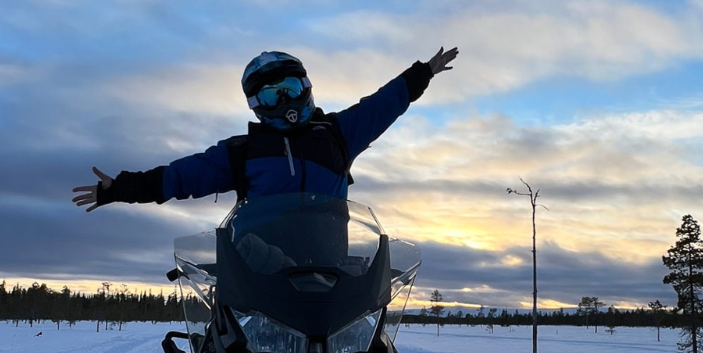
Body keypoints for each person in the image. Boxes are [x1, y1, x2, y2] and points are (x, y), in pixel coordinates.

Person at [72, 47, 458, 210]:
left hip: (333, 282)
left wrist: (422, 73)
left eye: (289, 88)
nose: (284, 100)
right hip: (262, 283)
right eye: (272, 94)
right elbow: (180, 177)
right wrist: (120, 188)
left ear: (305, 87)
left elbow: (381, 106)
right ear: (257, 104)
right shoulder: (242, 152)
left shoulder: (337, 134)